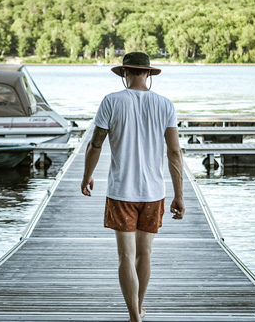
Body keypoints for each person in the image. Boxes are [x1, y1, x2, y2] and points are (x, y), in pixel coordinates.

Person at [80, 52, 184, 322]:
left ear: (125, 73)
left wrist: (87, 176)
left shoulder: (111, 101)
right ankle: (139, 306)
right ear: (148, 73)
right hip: (154, 192)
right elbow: (175, 153)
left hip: (121, 192)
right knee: (145, 253)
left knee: (126, 254)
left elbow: (96, 144)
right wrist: (179, 195)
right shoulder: (165, 105)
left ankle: (134, 316)